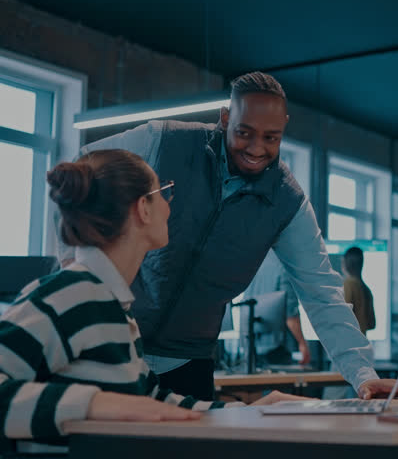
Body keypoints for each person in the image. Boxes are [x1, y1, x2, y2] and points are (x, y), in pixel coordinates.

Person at [63, 72, 398, 402]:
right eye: (244, 132)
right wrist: (76, 262)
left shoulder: (288, 203)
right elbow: (83, 168)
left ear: (284, 128)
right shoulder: (165, 142)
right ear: (225, 118)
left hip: (187, 362)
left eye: (271, 138)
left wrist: (363, 374)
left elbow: (322, 293)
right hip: (112, 344)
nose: (256, 148)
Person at [0, 151, 302, 450]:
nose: (169, 207)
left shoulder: (114, 307)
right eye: (163, 193)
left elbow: (152, 402)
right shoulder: (71, 293)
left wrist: (253, 411)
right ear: (143, 208)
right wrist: (96, 403)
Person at [241, 251, 311, 366]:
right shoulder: (284, 266)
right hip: (276, 349)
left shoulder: (254, 261)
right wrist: (303, 344)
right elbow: (290, 315)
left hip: (252, 346)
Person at [342, 247, 376, 335]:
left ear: (346, 264)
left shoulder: (349, 284)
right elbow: (372, 324)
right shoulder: (366, 289)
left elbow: (343, 315)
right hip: (362, 340)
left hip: (349, 340)